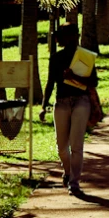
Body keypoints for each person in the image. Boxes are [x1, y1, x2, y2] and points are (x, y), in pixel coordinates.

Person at [39, 23, 98, 196]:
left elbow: (93, 82)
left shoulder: (85, 57)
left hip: (81, 101)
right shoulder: (56, 58)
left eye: (62, 35)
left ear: (73, 36)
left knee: (76, 146)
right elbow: (50, 83)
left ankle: (74, 183)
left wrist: (74, 77)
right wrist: (44, 106)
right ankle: (68, 172)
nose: (59, 38)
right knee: (61, 147)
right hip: (62, 102)